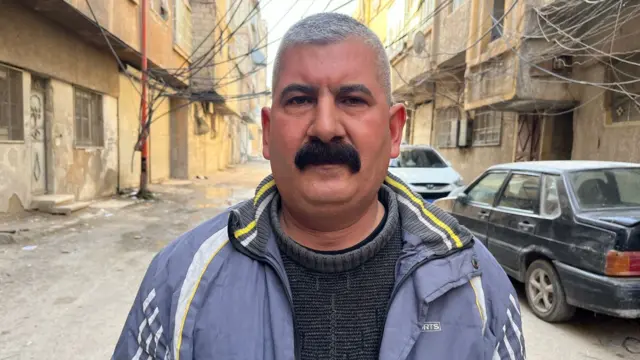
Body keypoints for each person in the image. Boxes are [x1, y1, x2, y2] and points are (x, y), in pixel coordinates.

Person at [112, 13, 525, 360]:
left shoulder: (475, 285)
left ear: (394, 130)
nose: (326, 127)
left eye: (352, 100)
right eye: (300, 100)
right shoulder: (182, 279)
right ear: (268, 133)